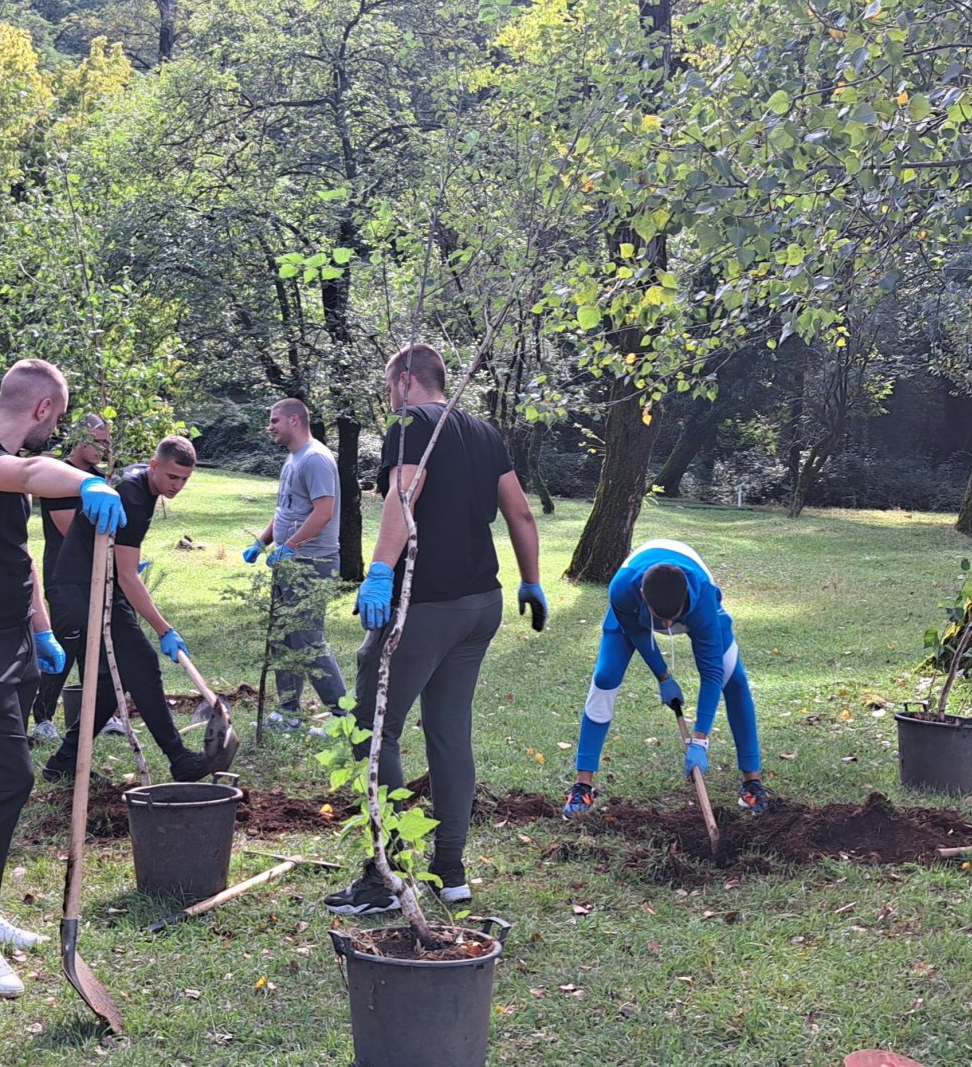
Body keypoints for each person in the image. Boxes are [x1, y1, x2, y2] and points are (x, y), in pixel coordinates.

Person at [0, 360, 126, 997]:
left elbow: (21, 556)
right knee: (9, 775)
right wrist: (87, 483)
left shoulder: (0, 474)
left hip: (6, 638)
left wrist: (39, 629)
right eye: (57, 419)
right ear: (41, 410)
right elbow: (36, 471)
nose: (55, 431)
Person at [323, 343, 548, 916]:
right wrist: (531, 580)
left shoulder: (411, 424)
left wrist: (378, 572)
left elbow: (404, 494)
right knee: (449, 734)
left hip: (425, 605)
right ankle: (450, 871)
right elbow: (520, 512)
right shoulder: (483, 431)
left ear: (405, 379)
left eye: (386, 383)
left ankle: (389, 875)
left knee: (373, 729)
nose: (386, 394)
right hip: (482, 604)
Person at [41, 435, 223, 784]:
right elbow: (127, 576)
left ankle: (62, 763)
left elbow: (121, 568)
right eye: (172, 477)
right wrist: (164, 629)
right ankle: (179, 759)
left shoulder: (140, 482)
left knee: (111, 684)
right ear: (154, 466)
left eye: (185, 479)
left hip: (97, 581)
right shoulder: (135, 498)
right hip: (83, 588)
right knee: (141, 664)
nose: (178, 486)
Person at [560, 539, 770, 818]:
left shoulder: (703, 597)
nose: (668, 626)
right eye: (662, 618)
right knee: (605, 678)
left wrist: (700, 739)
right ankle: (582, 786)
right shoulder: (622, 589)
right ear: (644, 596)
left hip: (699, 605)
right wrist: (663, 675)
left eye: (674, 618)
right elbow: (637, 635)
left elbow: (712, 673)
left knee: (735, 680)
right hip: (633, 610)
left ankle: (751, 782)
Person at [242, 398, 348, 729]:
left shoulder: (315, 459)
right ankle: (288, 714)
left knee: (308, 639)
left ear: (294, 420)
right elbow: (286, 512)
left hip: (312, 562)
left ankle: (345, 720)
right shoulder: (292, 459)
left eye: (274, 420)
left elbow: (323, 512)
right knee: (283, 636)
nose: (270, 426)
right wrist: (262, 543)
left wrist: (290, 547)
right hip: (290, 561)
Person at [30, 413, 111, 742]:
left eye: (106, 443)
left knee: (99, 647)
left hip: (97, 574)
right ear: (80, 436)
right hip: (65, 575)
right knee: (65, 643)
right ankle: (43, 718)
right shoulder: (58, 476)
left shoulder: (100, 476)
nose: (102, 448)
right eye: (97, 441)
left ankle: (97, 717)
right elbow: (70, 530)